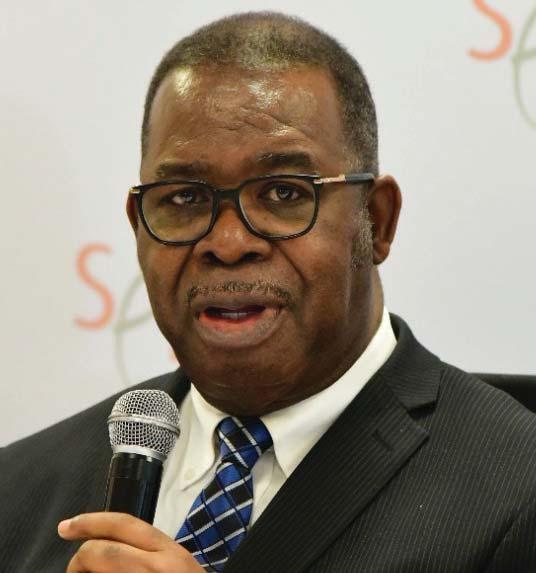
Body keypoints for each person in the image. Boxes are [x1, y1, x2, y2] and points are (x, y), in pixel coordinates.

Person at [2, 11, 536, 573]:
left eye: (284, 193)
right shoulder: (19, 493)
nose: (228, 243)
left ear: (376, 221)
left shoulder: (517, 490)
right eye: (184, 198)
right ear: (139, 227)